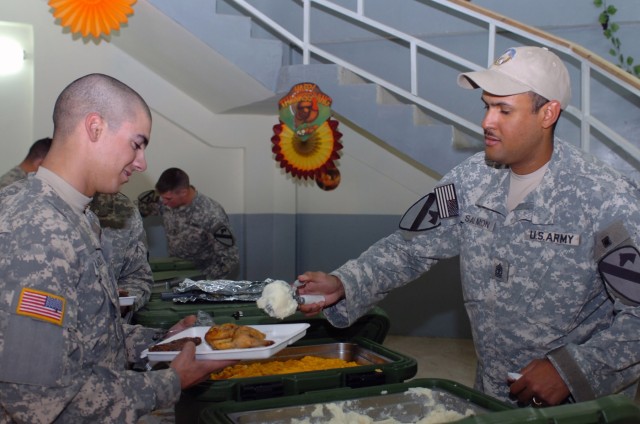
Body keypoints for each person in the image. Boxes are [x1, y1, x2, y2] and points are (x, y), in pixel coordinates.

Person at [296, 46, 640, 407]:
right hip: (491, 395)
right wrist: (346, 282)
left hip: (578, 409)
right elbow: (409, 248)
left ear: (548, 113)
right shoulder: (472, 179)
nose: (487, 122)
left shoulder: (605, 198)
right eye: (487, 106)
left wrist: (572, 370)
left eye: (504, 110)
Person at [0, 73, 234, 422]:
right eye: (136, 143)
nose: (142, 163)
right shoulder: (36, 227)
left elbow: (82, 339)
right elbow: (35, 400)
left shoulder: (75, 216)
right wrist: (170, 382)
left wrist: (164, 340)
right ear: (95, 128)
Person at [138, 167, 239, 280]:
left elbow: (230, 258)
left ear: (183, 192)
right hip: (175, 272)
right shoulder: (167, 202)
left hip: (202, 277)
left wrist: (204, 282)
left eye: (168, 198)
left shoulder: (211, 213)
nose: (164, 202)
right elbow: (140, 209)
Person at [89, 192, 153, 314]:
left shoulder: (122, 208)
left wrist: (122, 303)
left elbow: (137, 275)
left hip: (114, 329)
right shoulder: (46, 206)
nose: (140, 171)